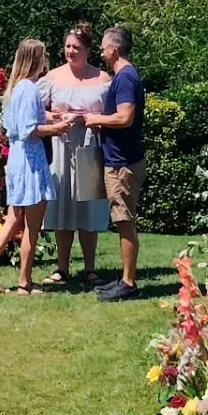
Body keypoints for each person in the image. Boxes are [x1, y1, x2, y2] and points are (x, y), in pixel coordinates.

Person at [0, 40, 73, 295]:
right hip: (31, 160)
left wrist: (53, 116)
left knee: (11, 221)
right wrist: (57, 129)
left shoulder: (15, 89)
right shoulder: (29, 88)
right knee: (32, 225)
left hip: (17, 159)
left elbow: (24, 121)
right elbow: (31, 130)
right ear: (35, 60)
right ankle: (25, 282)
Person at [37, 22, 110, 286]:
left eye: (76, 47)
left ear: (88, 50)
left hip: (91, 145)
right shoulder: (53, 78)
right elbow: (36, 111)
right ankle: (62, 268)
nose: (70, 51)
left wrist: (91, 118)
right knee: (62, 205)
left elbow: (114, 114)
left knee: (90, 206)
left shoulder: (102, 79)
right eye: (67, 46)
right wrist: (56, 116)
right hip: (61, 144)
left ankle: (91, 269)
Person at [85, 25, 145, 301]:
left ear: (115, 49)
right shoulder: (124, 76)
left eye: (104, 46)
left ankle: (129, 283)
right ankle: (124, 278)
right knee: (122, 219)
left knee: (124, 221)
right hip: (119, 160)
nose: (101, 51)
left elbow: (125, 117)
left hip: (123, 163)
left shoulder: (125, 78)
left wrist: (97, 120)